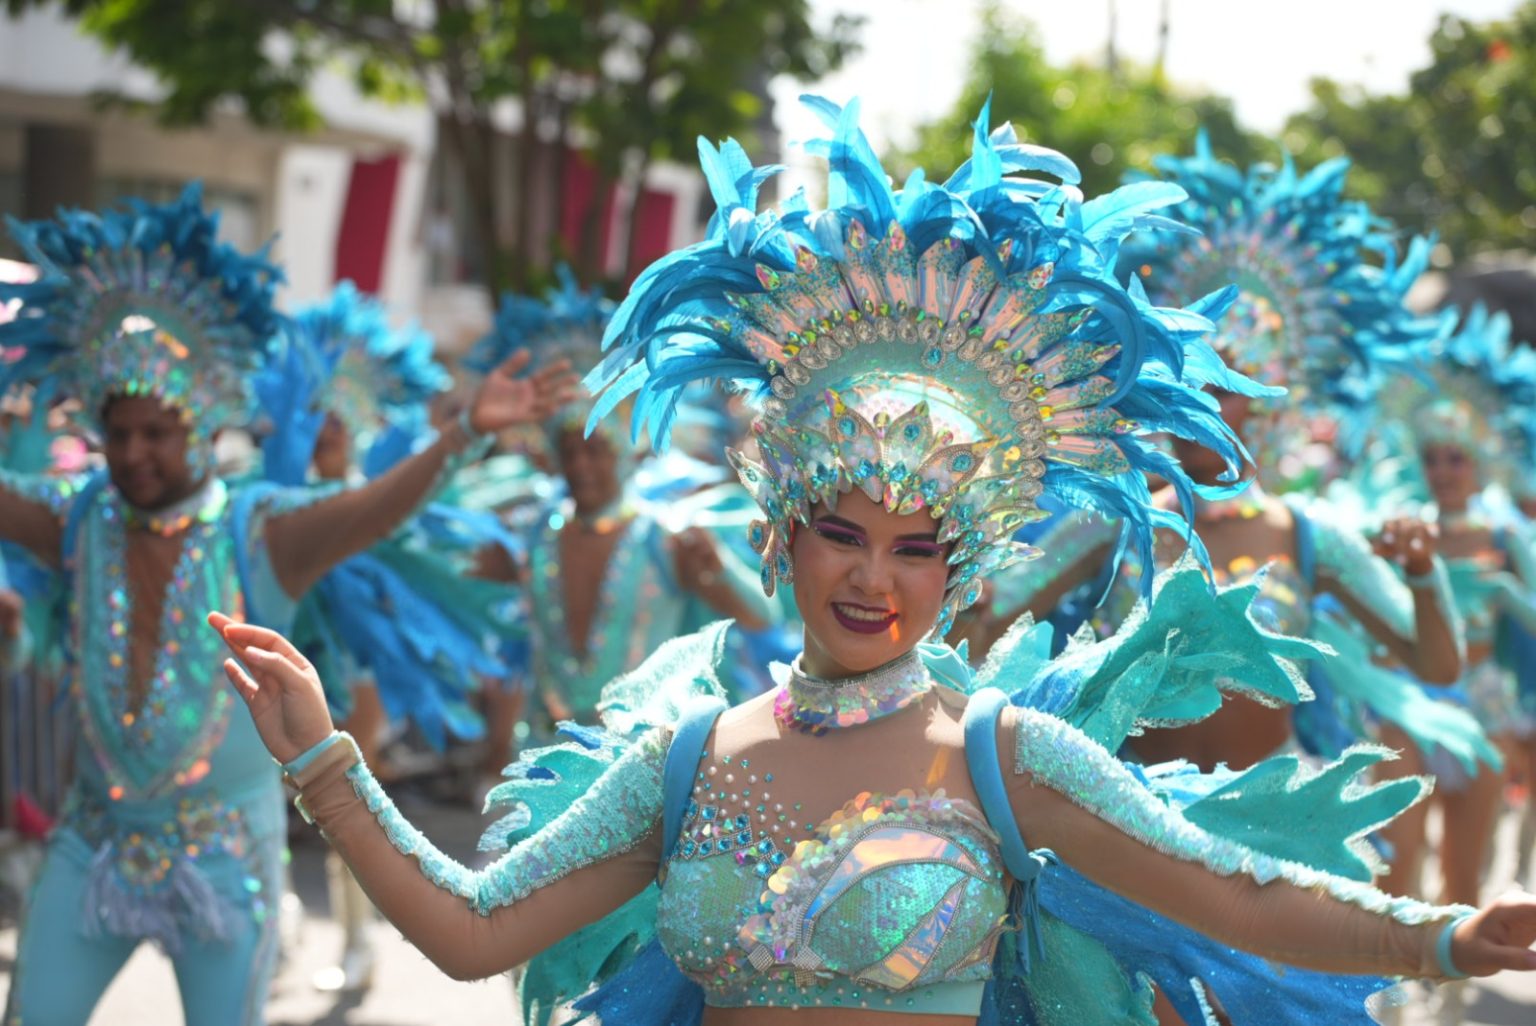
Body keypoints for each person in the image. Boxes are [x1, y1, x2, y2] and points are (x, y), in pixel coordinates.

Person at [210, 103, 1536, 1026]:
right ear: (781, 531)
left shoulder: (1005, 755)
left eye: (918, 549)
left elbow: (1226, 887)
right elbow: (470, 925)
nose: (873, 579)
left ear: (961, 577)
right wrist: (323, 758)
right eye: (842, 532)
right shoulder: (682, 759)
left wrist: (1436, 936)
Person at [0, 184, 576, 1026]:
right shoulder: (77, 516)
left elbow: (371, 509)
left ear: (200, 427)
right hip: (94, 843)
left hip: (225, 856)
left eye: (155, 432)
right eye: (118, 433)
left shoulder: (258, 530)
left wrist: (462, 433)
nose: (133, 452)